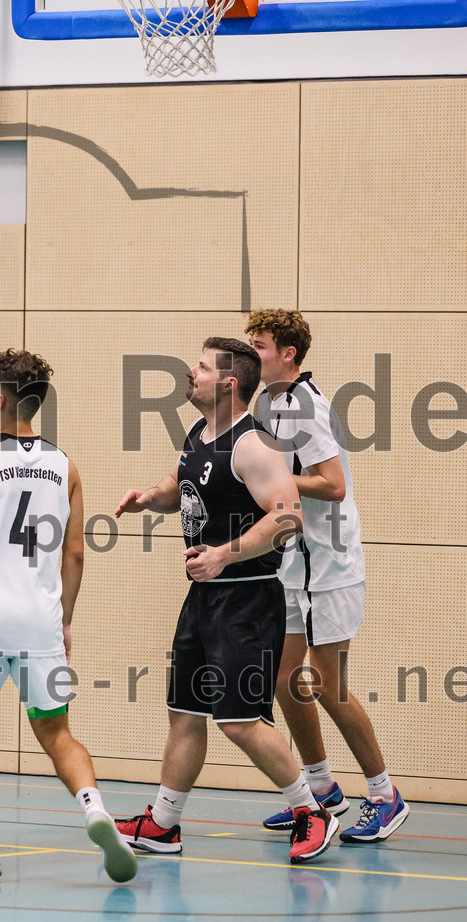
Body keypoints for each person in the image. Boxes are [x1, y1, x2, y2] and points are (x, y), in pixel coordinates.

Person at [113, 338, 339, 865]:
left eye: (200, 366)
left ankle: (311, 811)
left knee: (238, 722)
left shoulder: (253, 445)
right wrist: (152, 497)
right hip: (203, 598)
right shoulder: (199, 433)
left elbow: (287, 518)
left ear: (229, 382)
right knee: (184, 713)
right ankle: (163, 824)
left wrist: (225, 555)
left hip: (246, 599)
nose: (189, 373)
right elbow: (183, 484)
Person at [0, 350, 137, 884]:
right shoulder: (66, 466)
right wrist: (65, 619)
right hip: (40, 623)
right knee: (57, 734)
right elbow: (75, 552)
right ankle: (95, 809)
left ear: (2, 397)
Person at [246, 309, 410, 842]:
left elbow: (332, 483)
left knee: (327, 683)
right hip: (296, 564)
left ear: (289, 353)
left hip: (330, 565)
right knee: (285, 680)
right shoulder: (270, 404)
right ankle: (320, 789)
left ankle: (385, 795)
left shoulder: (303, 405)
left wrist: (277, 478)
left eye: (262, 345)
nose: (253, 354)